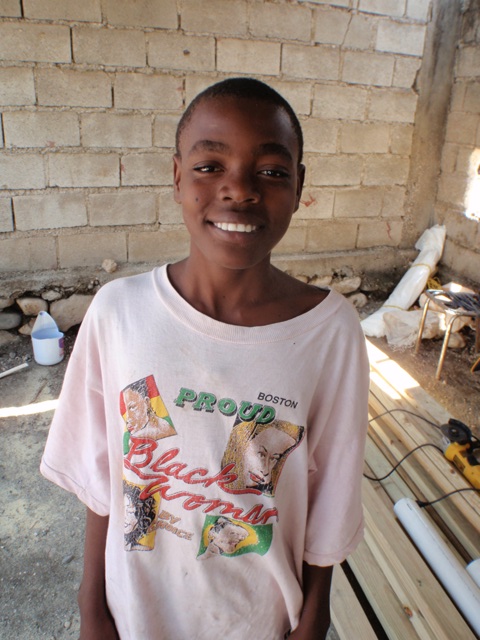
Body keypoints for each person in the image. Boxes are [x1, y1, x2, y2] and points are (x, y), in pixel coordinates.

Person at [40, 77, 369, 640]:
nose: (239, 190)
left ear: (298, 185)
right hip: (137, 612)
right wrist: (91, 606)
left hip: (256, 618)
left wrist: (315, 618)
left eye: (270, 170)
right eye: (209, 166)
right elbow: (105, 479)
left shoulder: (329, 333)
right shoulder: (120, 313)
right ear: (176, 176)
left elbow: (333, 494)